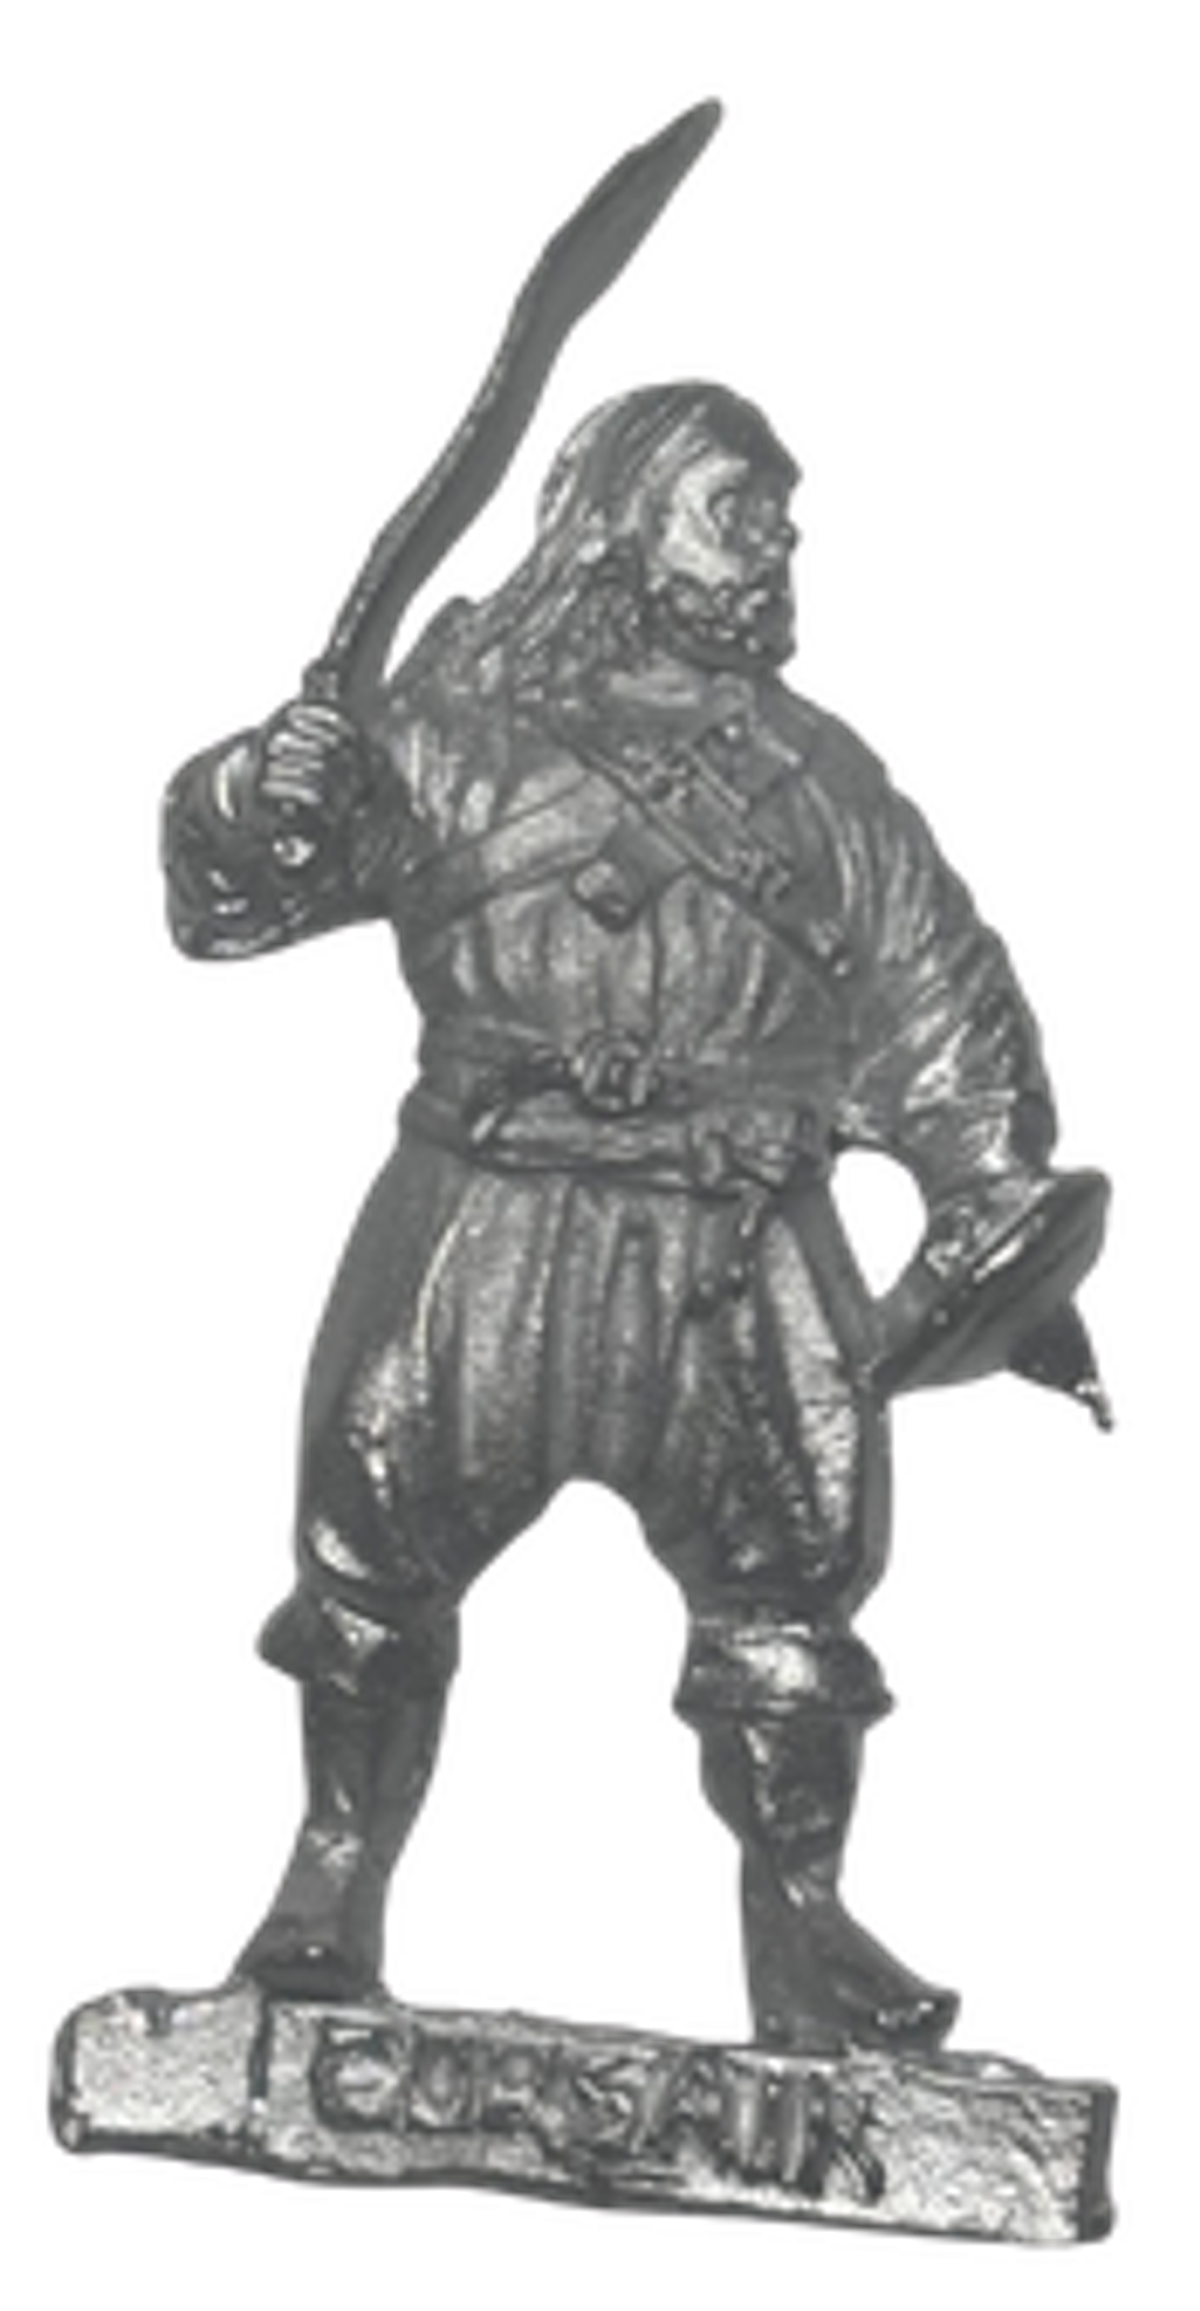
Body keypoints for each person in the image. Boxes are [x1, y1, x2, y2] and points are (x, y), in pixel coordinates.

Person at [158, 376, 1113, 2051]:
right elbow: (243, 898)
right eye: (736, 512)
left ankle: (806, 1927)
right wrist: (260, 792)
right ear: (627, 525)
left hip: (737, 1236)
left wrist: (985, 1192)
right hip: (486, 1206)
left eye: (779, 518)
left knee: (795, 1578)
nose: (775, 548)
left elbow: (939, 994)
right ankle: (327, 1876)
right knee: (374, 1531)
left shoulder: (820, 781)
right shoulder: (449, 727)